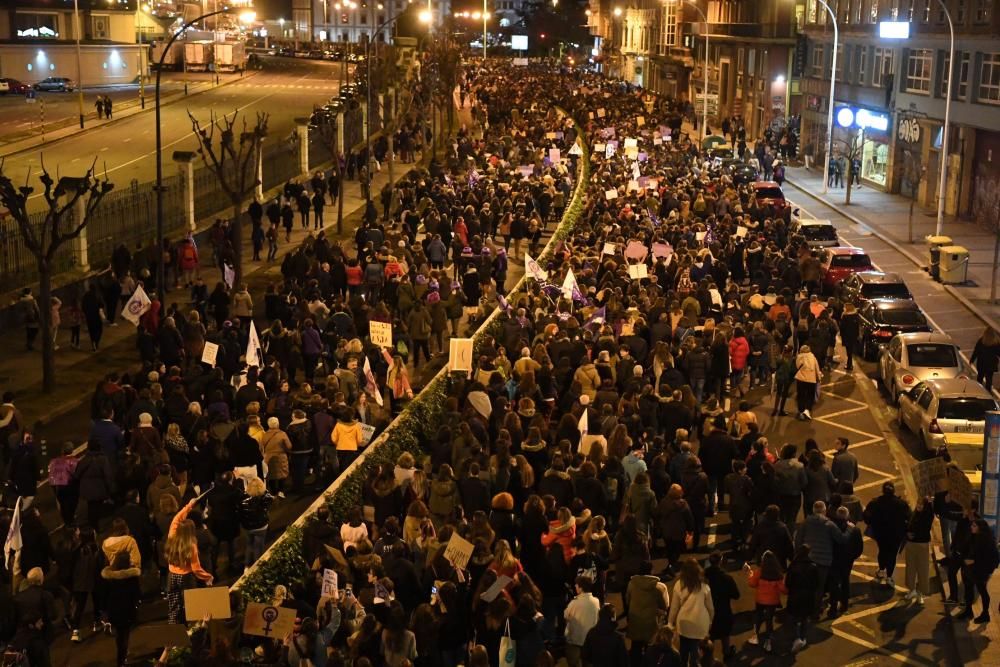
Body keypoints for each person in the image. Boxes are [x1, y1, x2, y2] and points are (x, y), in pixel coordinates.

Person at [165, 497, 214, 623]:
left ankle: (173, 631)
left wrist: (189, 505)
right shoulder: (191, 545)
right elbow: (196, 569)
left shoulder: (172, 534)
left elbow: (177, 518)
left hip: (171, 576)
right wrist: (208, 577)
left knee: (174, 605)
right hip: (186, 578)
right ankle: (193, 627)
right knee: (191, 605)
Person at [863, 482, 912, 588]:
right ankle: (889, 576)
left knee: (882, 551)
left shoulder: (876, 502)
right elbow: (909, 517)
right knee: (892, 555)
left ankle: (881, 570)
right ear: (894, 490)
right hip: (896, 535)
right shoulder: (901, 504)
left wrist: (872, 523)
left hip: (881, 534)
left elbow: (866, 515)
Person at [667, 558, 714, 667]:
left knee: (683, 653)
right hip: (700, 625)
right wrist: (710, 621)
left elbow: (674, 607)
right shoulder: (704, 586)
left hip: (684, 625)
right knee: (696, 656)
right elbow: (710, 608)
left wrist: (670, 623)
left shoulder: (679, 585)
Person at [101, 549, 142, 666]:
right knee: (125, 634)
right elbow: (137, 593)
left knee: (119, 635)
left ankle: (122, 657)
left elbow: (104, 595)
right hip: (128, 610)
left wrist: (104, 610)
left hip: (114, 610)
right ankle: (122, 657)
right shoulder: (132, 577)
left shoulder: (109, 578)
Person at [625, 560, 669, 666]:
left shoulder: (632, 584)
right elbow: (665, 605)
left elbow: (627, 600)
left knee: (635, 649)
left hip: (635, 622)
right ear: (651, 571)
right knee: (651, 651)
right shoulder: (660, 587)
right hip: (651, 624)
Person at [957, 518, 1000, 622]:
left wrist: (974, 561)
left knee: (983, 591)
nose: (971, 527)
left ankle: (985, 614)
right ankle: (968, 610)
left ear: (981, 528)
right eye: (972, 525)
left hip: (980, 571)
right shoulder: (972, 537)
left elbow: (991, 558)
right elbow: (966, 550)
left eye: (974, 526)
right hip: (969, 570)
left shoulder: (988, 541)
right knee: (968, 590)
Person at [744, 550, 785, 653]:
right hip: (772, 601)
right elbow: (784, 590)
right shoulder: (778, 574)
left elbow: (752, 583)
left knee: (758, 616)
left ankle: (755, 636)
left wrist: (749, 573)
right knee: (769, 620)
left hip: (760, 600)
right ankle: (768, 642)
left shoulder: (760, 572)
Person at [785, 544, 820, 653]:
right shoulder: (813, 566)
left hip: (795, 596)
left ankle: (796, 637)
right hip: (808, 597)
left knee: (795, 618)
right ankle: (803, 638)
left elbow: (788, 583)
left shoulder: (793, 565)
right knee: (805, 618)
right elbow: (816, 584)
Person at [705, 550, 739, 661]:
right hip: (723, 611)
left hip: (707, 612)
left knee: (710, 635)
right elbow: (736, 595)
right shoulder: (726, 578)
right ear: (720, 561)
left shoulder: (704, 577)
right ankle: (726, 653)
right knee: (725, 634)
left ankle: (708, 657)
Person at [564, 576, 601, 667]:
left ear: (581, 588)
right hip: (589, 640)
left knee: (574, 663)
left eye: (576, 586)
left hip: (575, 640)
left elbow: (565, 616)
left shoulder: (574, 603)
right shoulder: (596, 601)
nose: (575, 587)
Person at [903, 495, 934, 605]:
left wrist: (929, 503)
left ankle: (920, 593)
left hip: (922, 545)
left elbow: (930, 515)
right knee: (910, 568)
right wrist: (908, 533)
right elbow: (908, 526)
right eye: (918, 504)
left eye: (921, 505)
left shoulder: (927, 515)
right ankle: (912, 590)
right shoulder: (914, 514)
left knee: (922, 570)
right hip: (911, 544)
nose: (919, 506)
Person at [240, 476, 274, 568]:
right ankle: (257, 566)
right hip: (261, 527)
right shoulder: (265, 498)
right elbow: (272, 499)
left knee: (249, 544)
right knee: (259, 547)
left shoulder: (242, 499)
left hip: (247, 527)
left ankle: (246, 566)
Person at [794, 344, 821, 420]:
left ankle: (801, 411)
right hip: (811, 379)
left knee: (801, 395)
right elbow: (817, 368)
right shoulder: (813, 357)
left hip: (801, 379)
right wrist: (818, 378)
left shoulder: (799, 357)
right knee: (810, 395)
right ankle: (807, 410)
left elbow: (797, 366)